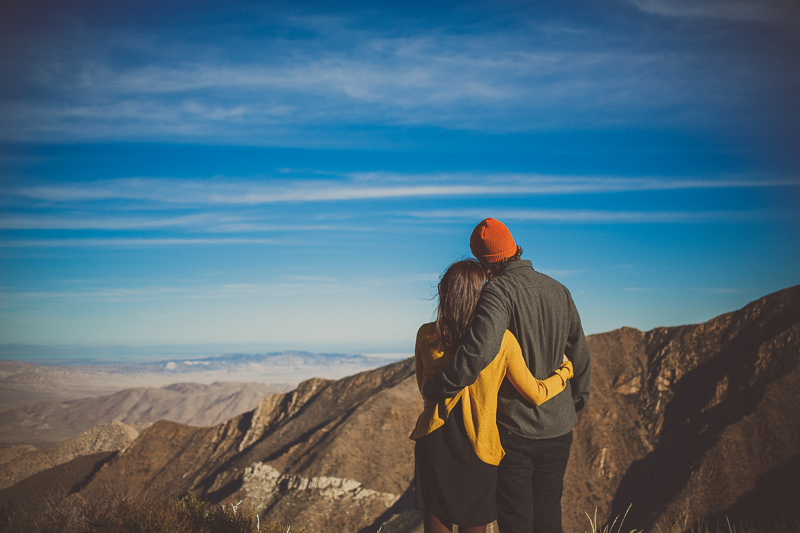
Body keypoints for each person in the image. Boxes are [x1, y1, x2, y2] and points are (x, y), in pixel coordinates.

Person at [422, 218, 591, 533]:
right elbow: (579, 348)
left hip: (516, 429)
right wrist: (577, 400)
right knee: (549, 514)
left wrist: (439, 387)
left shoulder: (497, 291)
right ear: (514, 248)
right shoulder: (559, 289)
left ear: (485, 263)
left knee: (516, 519)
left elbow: (478, 351)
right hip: (559, 427)